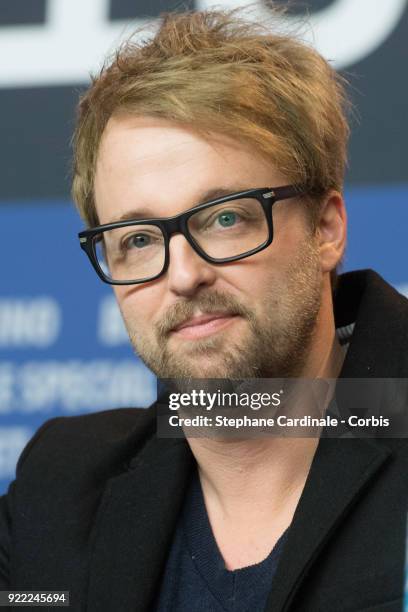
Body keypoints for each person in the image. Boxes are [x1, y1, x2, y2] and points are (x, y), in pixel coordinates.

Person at [1, 8, 407, 612]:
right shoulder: (60, 486)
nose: (185, 276)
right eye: (138, 239)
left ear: (326, 228)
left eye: (225, 218)